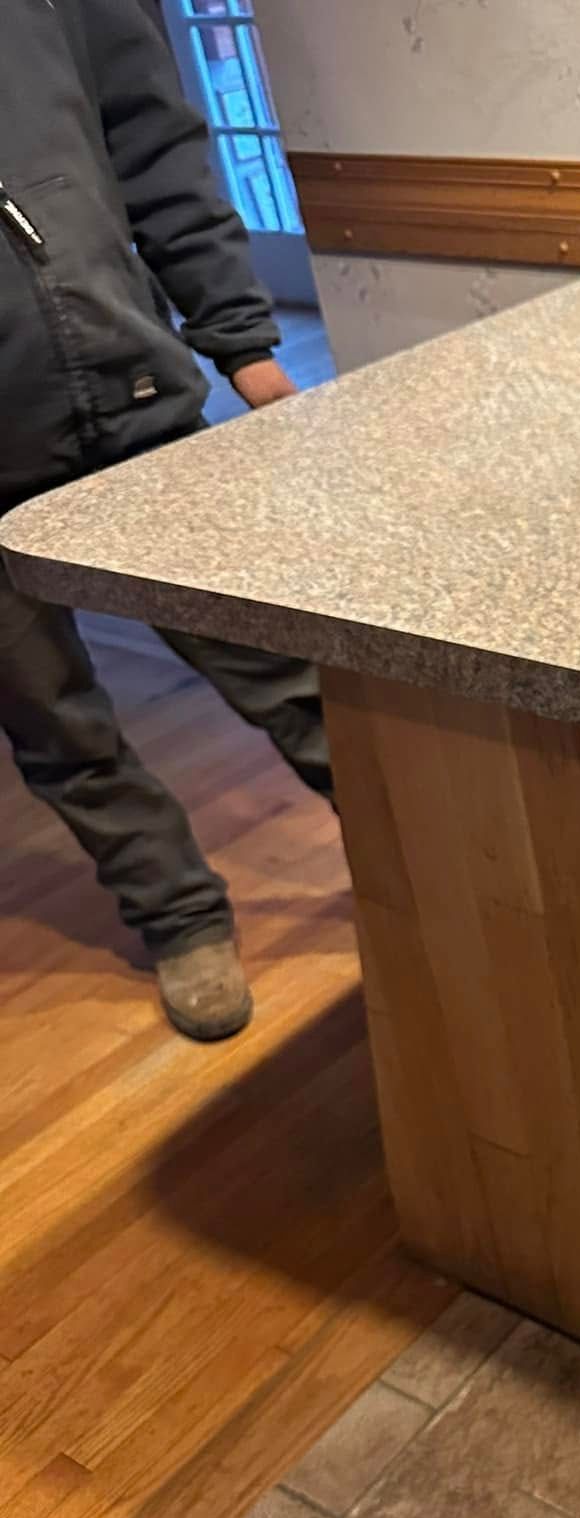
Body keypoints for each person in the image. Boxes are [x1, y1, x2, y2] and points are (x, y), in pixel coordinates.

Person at [0, 0, 333, 1041]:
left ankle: (447, 869)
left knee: (285, 668)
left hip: (122, 386)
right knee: (51, 718)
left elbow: (153, 140)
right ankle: (177, 913)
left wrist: (241, 341)